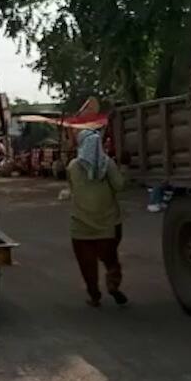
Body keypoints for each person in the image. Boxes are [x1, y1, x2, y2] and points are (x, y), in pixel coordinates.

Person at [67, 130, 128, 307]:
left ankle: (94, 295)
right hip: (108, 224)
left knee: (87, 266)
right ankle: (113, 285)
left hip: (80, 225)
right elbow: (120, 186)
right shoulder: (107, 164)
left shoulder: (73, 167)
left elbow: (72, 189)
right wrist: (124, 167)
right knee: (111, 260)